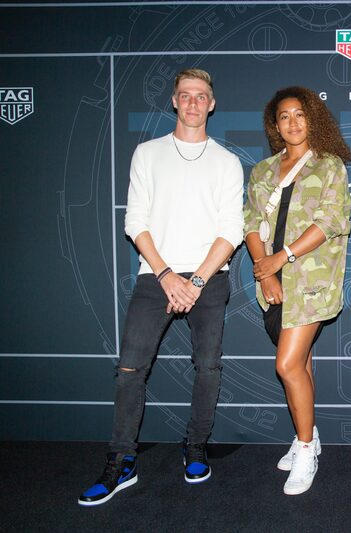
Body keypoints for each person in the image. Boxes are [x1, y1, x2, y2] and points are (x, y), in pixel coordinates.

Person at [78, 68, 244, 506]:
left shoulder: (227, 162)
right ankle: (122, 460)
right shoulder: (147, 154)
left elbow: (232, 229)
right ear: (174, 101)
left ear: (211, 104)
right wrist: (169, 275)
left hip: (209, 279)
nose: (192, 102)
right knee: (130, 370)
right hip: (156, 277)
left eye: (201, 96)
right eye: (185, 95)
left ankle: (195, 447)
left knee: (208, 367)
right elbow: (136, 221)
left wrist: (196, 281)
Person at [243, 86, 351, 495]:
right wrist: (265, 272)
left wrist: (282, 257)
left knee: (286, 366)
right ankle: (308, 436)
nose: (292, 122)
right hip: (273, 283)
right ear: (275, 124)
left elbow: (331, 222)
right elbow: (250, 223)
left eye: (300, 115)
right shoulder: (262, 171)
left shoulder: (329, 166)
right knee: (300, 367)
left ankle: (306, 449)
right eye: (284, 116)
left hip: (312, 283)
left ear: (313, 120)